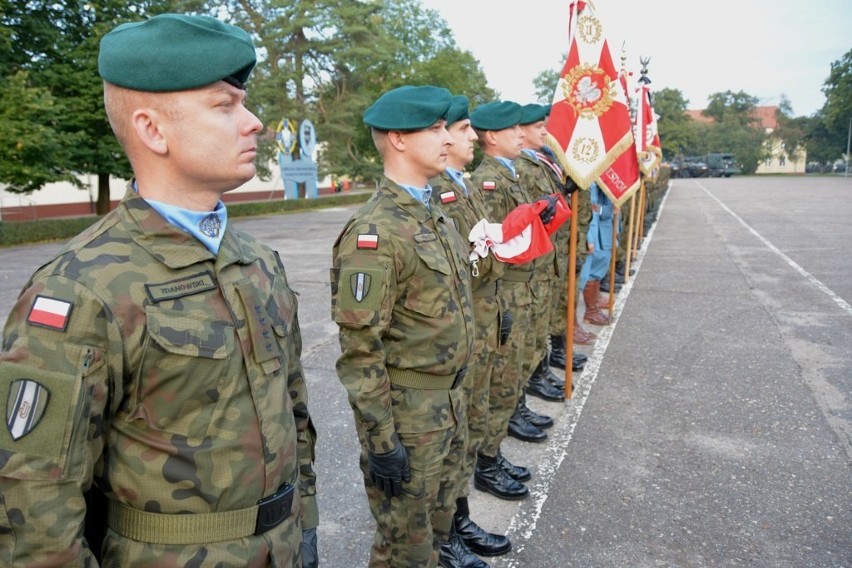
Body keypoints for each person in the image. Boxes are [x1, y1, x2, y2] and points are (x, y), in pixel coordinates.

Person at [0, 13, 318, 567]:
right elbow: (33, 505)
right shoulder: (80, 288)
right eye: (225, 106)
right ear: (152, 129)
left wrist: (305, 525)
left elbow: (294, 415)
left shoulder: (258, 262)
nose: (255, 123)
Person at [330, 85, 475, 568]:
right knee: (405, 549)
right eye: (433, 129)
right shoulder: (375, 233)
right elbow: (360, 349)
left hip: (448, 403)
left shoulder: (434, 212)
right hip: (410, 419)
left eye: (443, 128)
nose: (446, 139)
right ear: (397, 139)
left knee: (434, 531)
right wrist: (382, 441)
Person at [428, 95, 511, 567]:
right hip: (453, 337)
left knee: (470, 419)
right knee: (454, 432)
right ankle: (448, 527)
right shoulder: (437, 195)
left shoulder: (457, 189)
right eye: (462, 130)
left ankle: (457, 519)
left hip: (476, 319)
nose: (470, 137)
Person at [468, 101, 538, 501]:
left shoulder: (508, 175)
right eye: (514, 130)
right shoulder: (486, 182)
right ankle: (487, 461)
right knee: (498, 380)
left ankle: (492, 453)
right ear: (492, 136)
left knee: (511, 375)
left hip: (518, 287)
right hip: (503, 290)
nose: (522, 135)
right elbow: (492, 245)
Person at [581, 182, 617, 326]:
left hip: (602, 228)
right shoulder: (587, 175)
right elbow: (591, 208)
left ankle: (593, 306)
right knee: (589, 271)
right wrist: (606, 210)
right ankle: (590, 311)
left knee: (598, 268)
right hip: (592, 228)